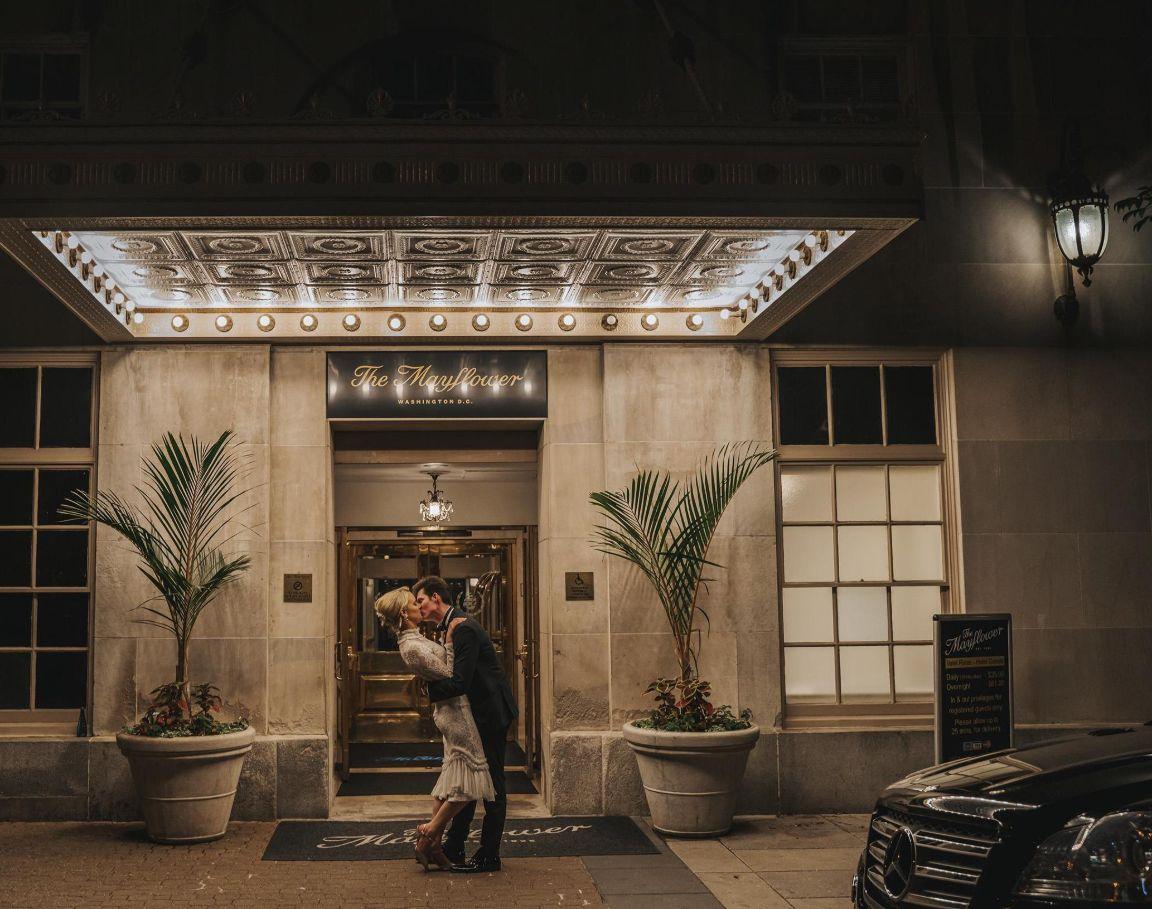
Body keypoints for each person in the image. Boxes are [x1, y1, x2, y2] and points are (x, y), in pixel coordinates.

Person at [373, 587, 495, 872]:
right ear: (404, 613)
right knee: (472, 778)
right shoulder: (411, 647)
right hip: (455, 715)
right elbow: (450, 675)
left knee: (452, 776)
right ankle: (429, 831)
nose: (418, 606)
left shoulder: (415, 639)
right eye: (413, 603)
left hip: (454, 710)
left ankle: (435, 846)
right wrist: (450, 642)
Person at [414, 575, 518, 874]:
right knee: (469, 779)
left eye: (421, 600)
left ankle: (489, 855)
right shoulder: (450, 627)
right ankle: (455, 847)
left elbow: (461, 681)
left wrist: (428, 690)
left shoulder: (464, 628)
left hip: (490, 715)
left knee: (493, 785)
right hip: (476, 715)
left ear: (436, 598)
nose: (418, 607)